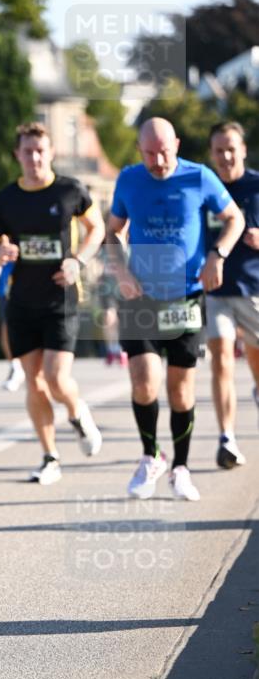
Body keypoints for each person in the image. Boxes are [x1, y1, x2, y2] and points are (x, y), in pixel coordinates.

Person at [107, 117, 244, 501]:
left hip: (186, 295)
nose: (158, 160)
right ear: (140, 151)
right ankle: (151, 456)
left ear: (177, 144)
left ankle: (181, 467)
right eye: (150, 153)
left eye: (164, 151)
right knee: (143, 378)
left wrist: (218, 254)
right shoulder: (130, 180)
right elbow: (113, 230)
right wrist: (119, 269)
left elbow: (235, 218)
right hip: (141, 295)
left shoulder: (199, 177)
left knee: (181, 389)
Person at [0, 122, 104, 484]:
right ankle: (49, 456)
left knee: (56, 378)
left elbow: (96, 229)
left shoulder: (70, 190)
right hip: (22, 300)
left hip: (61, 298)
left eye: (40, 151)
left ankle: (77, 412)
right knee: (34, 383)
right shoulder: (7, 198)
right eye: (27, 151)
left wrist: (77, 261)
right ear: (17, 155)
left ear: (50, 152)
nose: (34, 157)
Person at [206, 120, 259, 466]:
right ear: (211, 154)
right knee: (222, 358)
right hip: (216, 291)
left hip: (254, 289)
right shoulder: (205, 188)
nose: (225, 156)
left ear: (242, 150)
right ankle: (227, 438)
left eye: (231, 148)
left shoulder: (257, 185)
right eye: (218, 150)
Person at [0, 261, 26, 391]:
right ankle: (16, 367)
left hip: (29, 286)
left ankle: (31, 369)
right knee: (6, 330)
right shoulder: (1, 241)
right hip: (6, 290)